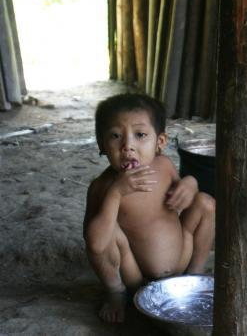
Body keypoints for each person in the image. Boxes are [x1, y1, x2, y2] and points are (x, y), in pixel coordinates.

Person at [83, 94, 215, 323]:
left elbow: (186, 196)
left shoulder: (164, 166)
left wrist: (190, 184)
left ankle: (195, 275)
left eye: (140, 135)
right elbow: (95, 245)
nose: (127, 147)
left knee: (205, 202)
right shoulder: (102, 187)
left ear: (160, 142)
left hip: (181, 256)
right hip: (136, 275)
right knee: (106, 228)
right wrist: (116, 193)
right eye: (115, 136)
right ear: (101, 144)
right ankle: (116, 293)